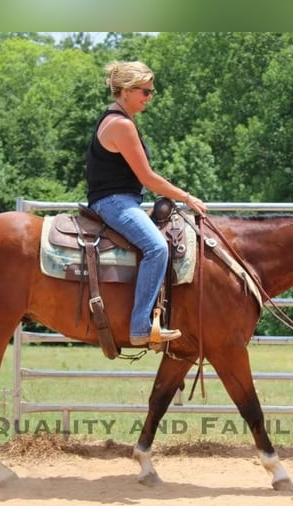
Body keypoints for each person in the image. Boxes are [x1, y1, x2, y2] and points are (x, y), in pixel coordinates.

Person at [85, 60, 207, 347]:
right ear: (126, 91)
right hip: (114, 202)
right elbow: (148, 178)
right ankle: (140, 327)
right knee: (156, 247)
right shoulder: (121, 125)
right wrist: (187, 197)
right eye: (146, 91)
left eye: (151, 91)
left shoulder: (115, 119)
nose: (150, 97)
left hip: (121, 200)